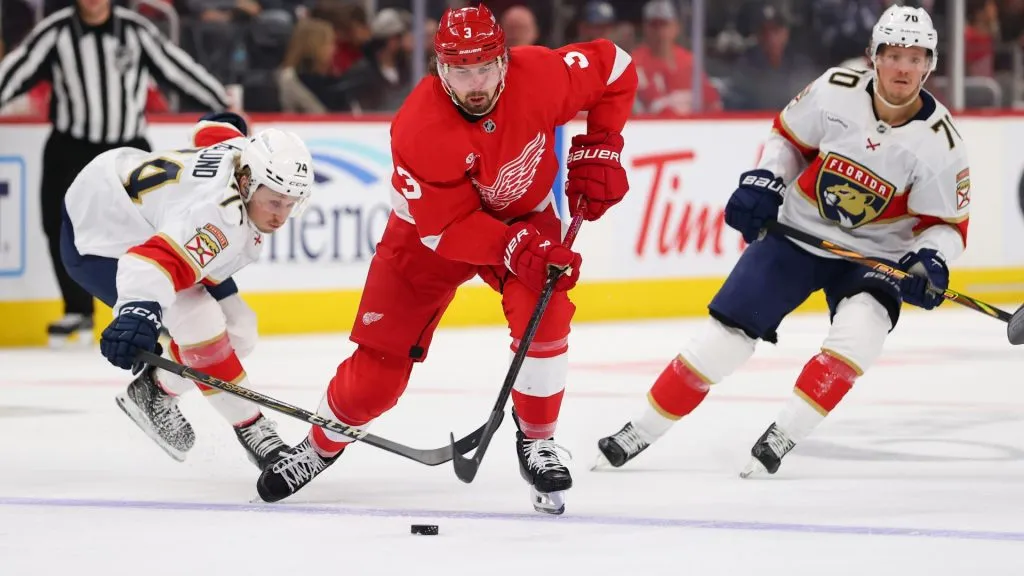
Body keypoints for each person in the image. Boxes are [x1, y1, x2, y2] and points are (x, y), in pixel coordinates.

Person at [255, 3, 637, 514]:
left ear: (504, 60)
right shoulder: (418, 127)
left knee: (545, 316)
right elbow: (446, 230)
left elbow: (616, 67)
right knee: (376, 379)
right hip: (427, 237)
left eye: (484, 67)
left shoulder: (542, 75)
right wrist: (510, 247)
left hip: (525, 217)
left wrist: (602, 145)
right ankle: (318, 447)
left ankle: (538, 440)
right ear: (440, 69)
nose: (474, 83)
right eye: (460, 71)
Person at [595, 5, 970, 477]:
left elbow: (948, 225)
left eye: (915, 58)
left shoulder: (943, 143)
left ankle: (783, 435)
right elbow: (789, 140)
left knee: (860, 333)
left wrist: (930, 260)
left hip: (876, 255)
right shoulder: (835, 89)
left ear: (930, 65)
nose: (903, 67)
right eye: (893, 54)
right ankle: (639, 431)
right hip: (799, 231)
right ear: (873, 55)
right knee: (723, 339)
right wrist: (767, 180)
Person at [61, 113, 315, 469]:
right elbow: (146, 265)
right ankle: (256, 433)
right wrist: (138, 313)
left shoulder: (243, 153)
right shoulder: (219, 220)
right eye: (274, 202)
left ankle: (153, 392)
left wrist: (227, 123)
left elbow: (213, 130)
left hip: (135, 197)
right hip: (101, 234)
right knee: (200, 321)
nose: (280, 216)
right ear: (245, 183)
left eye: (291, 204)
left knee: (241, 327)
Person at [0, 0, 230, 346]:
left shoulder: (136, 30)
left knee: (144, 229)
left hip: (126, 152)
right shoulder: (56, 31)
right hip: (70, 146)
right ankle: (77, 310)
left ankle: (146, 305)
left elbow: (178, 70)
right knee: (60, 226)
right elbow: (17, 71)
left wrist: (223, 106)